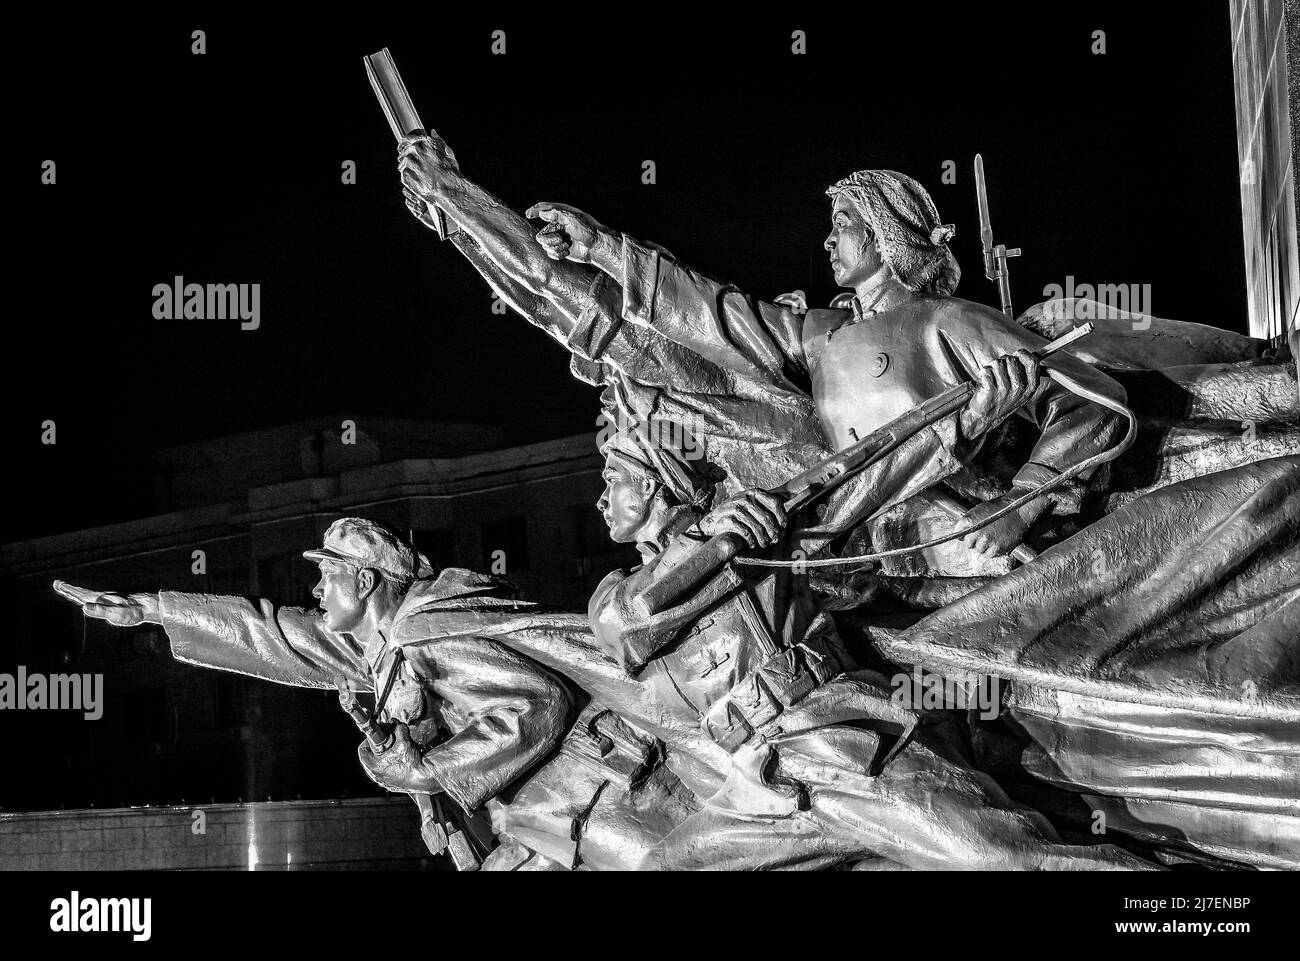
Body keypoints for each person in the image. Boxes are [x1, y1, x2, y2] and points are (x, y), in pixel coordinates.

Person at [54, 517, 574, 860]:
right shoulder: (377, 646)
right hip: (519, 834)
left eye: (328, 575)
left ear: (365, 582)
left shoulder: (427, 633)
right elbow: (265, 633)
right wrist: (150, 608)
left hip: (562, 827)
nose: (317, 590)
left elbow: (537, 703)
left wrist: (427, 771)